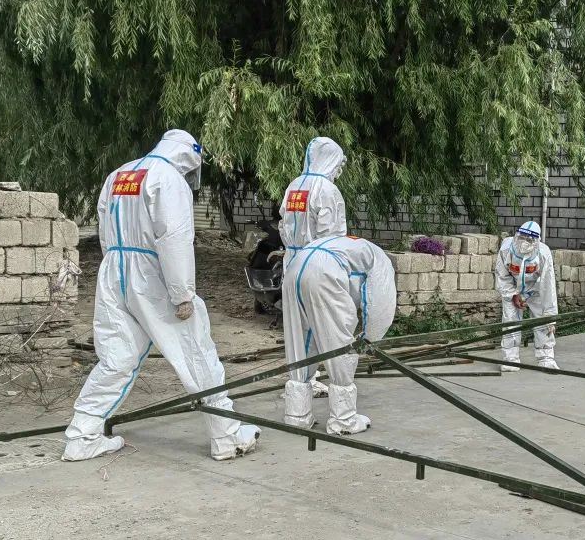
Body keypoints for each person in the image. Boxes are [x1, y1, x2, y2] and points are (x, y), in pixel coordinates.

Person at [63, 130, 260, 462]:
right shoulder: (168, 179)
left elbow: (104, 227)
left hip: (114, 270)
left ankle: (82, 435)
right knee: (195, 351)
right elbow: (174, 238)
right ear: (187, 156)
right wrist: (182, 293)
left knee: (117, 357)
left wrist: (117, 265)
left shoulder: (119, 174)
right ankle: (226, 436)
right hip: (150, 274)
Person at [281, 235, 396, 435]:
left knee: (301, 339)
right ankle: (344, 420)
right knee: (338, 343)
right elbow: (380, 305)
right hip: (327, 273)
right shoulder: (381, 262)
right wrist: (369, 338)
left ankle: (297, 416)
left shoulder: (352, 247)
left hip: (295, 266)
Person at [279, 136, 349, 396]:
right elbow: (332, 235)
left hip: (292, 260)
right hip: (317, 262)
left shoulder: (294, 185)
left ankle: (299, 381)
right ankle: (326, 381)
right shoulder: (327, 190)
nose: (339, 170)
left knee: (297, 325)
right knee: (323, 322)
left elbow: (283, 223)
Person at [495, 221, 559, 371]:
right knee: (510, 322)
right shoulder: (506, 248)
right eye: (522, 237)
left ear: (536, 241)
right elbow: (502, 275)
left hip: (536, 290)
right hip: (512, 287)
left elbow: (548, 285)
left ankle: (546, 358)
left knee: (543, 321)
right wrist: (513, 294)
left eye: (529, 239)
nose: (524, 242)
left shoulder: (543, 253)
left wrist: (550, 316)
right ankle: (510, 360)